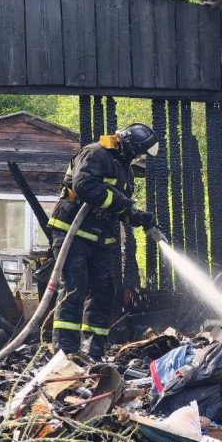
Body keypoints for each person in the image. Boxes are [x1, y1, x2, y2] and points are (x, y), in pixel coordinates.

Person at [48, 123, 161, 361]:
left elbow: (120, 206)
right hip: (73, 233)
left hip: (100, 238)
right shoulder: (95, 153)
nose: (140, 157)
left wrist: (139, 217)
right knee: (73, 290)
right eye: (140, 152)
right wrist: (122, 202)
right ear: (131, 146)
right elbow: (84, 186)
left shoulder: (125, 170)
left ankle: (93, 353)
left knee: (104, 294)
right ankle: (65, 354)